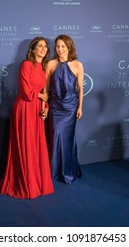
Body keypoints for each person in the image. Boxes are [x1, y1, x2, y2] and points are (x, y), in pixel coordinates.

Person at [0, 37, 54, 199]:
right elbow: (26, 91)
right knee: (26, 145)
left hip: (37, 109)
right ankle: (25, 184)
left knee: (36, 145)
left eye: (45, 47)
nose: (43, 49)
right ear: (33, 49)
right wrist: (42, 97)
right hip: (24, 108)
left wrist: (46, 108)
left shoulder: (43, 68)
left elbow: (45, 92)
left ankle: (38, 182)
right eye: (40, 46)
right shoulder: (26, 65)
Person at [45, 34, 84, 184]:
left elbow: (80, 88)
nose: (60, 49)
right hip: (55, 107)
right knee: (56, 136)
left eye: (63, 46)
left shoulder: (78, 65)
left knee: (67, 140)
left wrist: (80, 107)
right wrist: (45, 106)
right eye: (58, 46)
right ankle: (54, 171)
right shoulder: (50, 64)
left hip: (71, 107)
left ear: (69, 47)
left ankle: (68, 171)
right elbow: (45, 88)